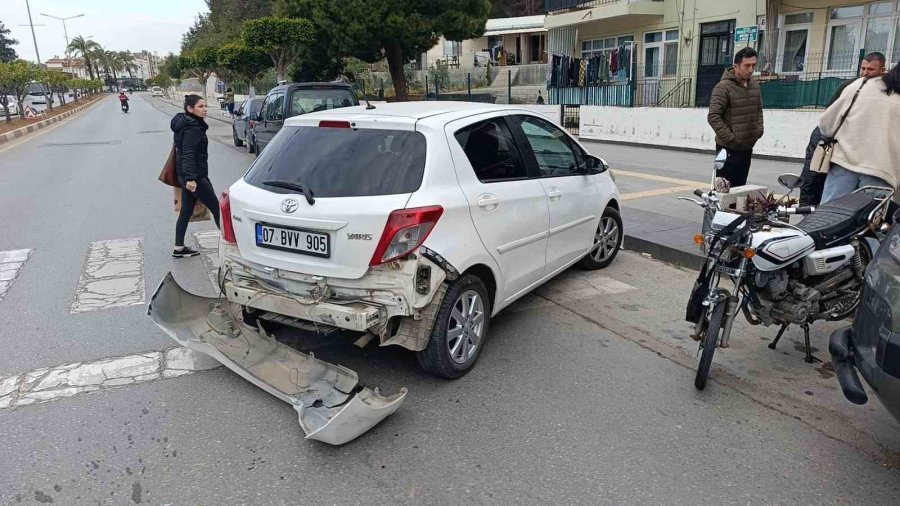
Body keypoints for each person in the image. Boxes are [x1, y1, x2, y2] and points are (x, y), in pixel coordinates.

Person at [799, 52, 887, 205]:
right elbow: (829, 118)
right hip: (838, 149)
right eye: (863, 68)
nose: (865, 73)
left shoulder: (888, 92)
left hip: (869, 159)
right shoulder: (851, 87)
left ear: (883, 70)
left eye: (871, 70)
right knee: (814, 183)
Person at [817, 63, 900, 203]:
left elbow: (826, 124)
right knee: (870, 222)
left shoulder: (861, 85)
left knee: (828, 218)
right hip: (882, 171)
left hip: (844, 164)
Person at [171, 94, 221, 258]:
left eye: (205, 106)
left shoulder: (186, 123)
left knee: (186, 211)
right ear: (190, 109)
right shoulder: (192, 127)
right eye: (201, 106)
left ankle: (179, 248)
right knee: (216, 207)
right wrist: (191, 178)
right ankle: (231, 244)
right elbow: (188, 153)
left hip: (186, 174)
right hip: (194, 176)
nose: (205, 109)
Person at [707, 47, 764, 188]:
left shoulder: (755, 86)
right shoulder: (723, 87)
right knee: (723, 191)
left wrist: (758, 131)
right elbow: (713, 116)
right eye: (747, 66)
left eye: (753, 65)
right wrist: (730, 139)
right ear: (736, 66)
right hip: (727, 150)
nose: (751, 70)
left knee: (740, 191)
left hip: (746, 148)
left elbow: (758, 110)